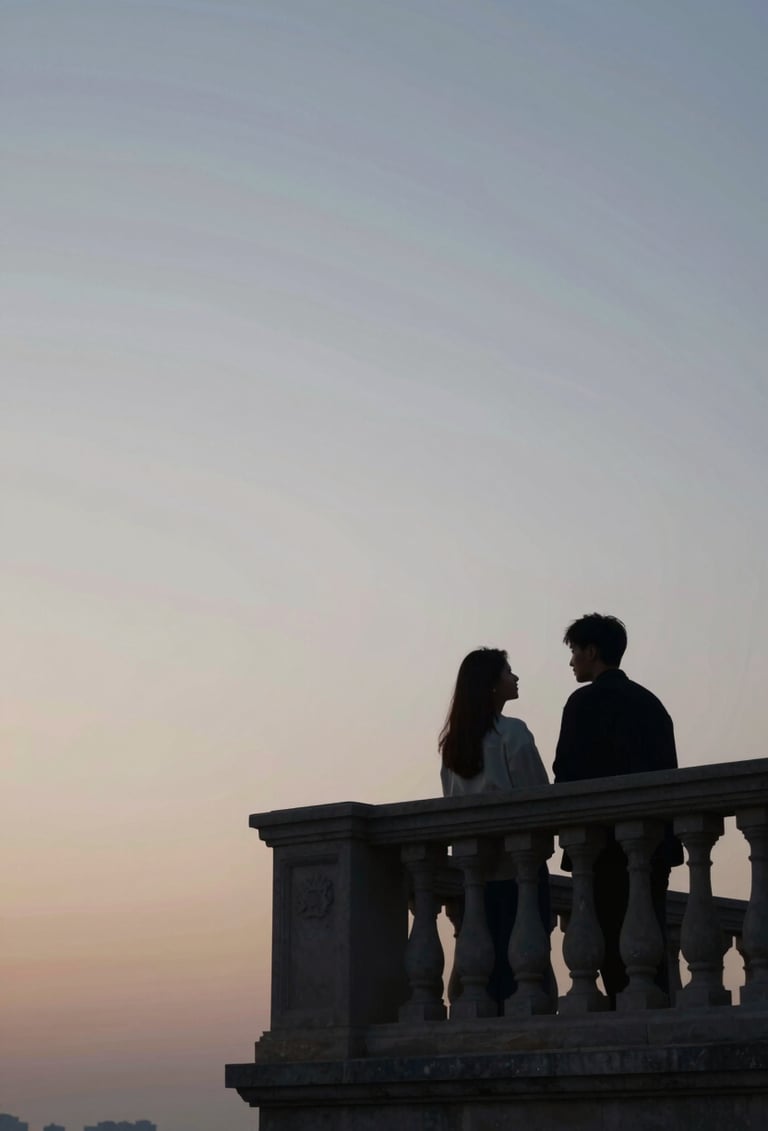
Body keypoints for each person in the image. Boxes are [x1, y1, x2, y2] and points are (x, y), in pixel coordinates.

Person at [553, 613, 683, 1007]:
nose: (571, 661)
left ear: (592, 652)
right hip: (652, 844)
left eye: (575, 651)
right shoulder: (651, 704)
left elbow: (566, 774)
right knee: (650, 942)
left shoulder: (582, 704)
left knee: (610, 947)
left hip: (601, 847)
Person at [440, 647, 551, 1012]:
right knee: (526, 974)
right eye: (507, 672)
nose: (514, 678)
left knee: (483, 977)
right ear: (491, 684)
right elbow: (539, 797)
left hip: (476, 873)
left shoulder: (454, 744)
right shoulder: (512, 733)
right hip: (519, 867)